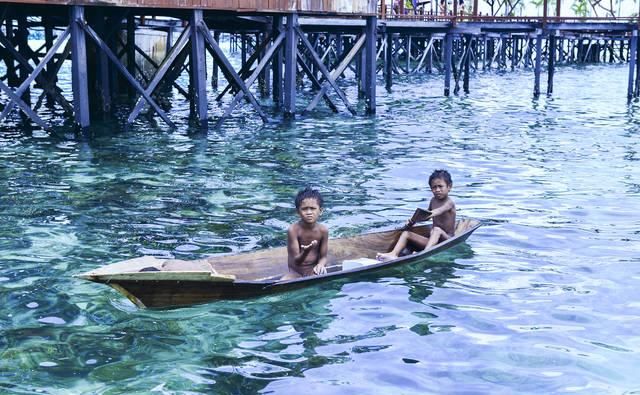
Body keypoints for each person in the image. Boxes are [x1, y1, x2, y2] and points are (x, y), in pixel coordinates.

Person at [376, 169, 456, 261]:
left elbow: (438, 211)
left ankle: (425, 254)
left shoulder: (450, 203)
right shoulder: (433, 200)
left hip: (447, 238)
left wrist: (429, 214)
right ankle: (393, 254)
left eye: (440, 186)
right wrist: (412, 221)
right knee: (406, 234)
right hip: (432, 240)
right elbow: (426, 215)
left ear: (449, 187)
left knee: (437, 229)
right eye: (434, 187)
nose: (437, 190)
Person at [282, 187, 329, 279]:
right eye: (304, 209)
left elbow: (323, 257)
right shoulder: (293, 230)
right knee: (282, 284)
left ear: (320, 211)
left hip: (313, 270)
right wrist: (306, 251)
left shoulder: (323, 231)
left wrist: (320, 265)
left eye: (313, 208)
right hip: (295, 272)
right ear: (297, 212)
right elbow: (297, 261)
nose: (309, 212)